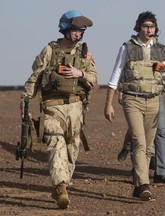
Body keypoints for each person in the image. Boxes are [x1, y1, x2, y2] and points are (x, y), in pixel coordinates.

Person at [104, 11, 165, 201]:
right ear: (138, 28)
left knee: (149, 146)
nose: (148, 29)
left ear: (155, 29)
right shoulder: (127, 48)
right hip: (132, 100)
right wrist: (108, 104)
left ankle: (136, 184)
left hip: (153, 101)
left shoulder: (162, 50)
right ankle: (143, 185)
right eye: (145, 26)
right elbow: (115, 76)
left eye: (151, 26)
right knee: (139, 141)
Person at [20, 10, 97, 208]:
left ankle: (63, 183)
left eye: (80, 31)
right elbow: (35, 77)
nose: (77, 34)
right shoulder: (49, 51)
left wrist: (81, 73)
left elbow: (94, 79)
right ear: (65, 29)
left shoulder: (84, 54)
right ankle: (60, 187)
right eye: (74, 30)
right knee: (56, 144)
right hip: (52, 108)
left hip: (76, 108)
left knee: (72, 149)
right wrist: (25, 101)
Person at [117, 89, 165, 184]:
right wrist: (120, 91)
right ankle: (127, 148)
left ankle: (145, 176)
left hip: (154, 97)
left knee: (156, 133)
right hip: (134, 96)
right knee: (137, 133)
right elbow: (121, 76)